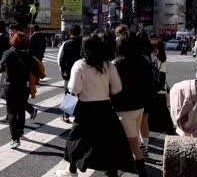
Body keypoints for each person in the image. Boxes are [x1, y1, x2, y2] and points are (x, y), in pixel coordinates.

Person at [56, 34, 135, 177]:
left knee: (77, 140)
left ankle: (72, 171)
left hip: (86, 109)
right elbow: (117, 88)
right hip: (105, 108)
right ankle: (111, 173)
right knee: (107, 142)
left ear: (84, 48)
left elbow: (74, 89)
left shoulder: (80, 65)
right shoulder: (108, 65)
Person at [112, 32, 153, 177]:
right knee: (132, 142)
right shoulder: (143, 61)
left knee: (133, 147)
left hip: (123, 109)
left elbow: (112, 88)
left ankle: (142, 174)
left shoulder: (116, 63)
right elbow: (149, 84)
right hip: (139, 106)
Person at [0, 32, 34, 149]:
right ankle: (21, 130)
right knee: (21, 109)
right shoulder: (28, 56)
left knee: (12, 112)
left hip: (10, 86)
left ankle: (15, 138)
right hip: (24, 87)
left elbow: (1, 67)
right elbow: (32, 69)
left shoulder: (7, 53)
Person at [58, 25, 82, 123]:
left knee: (69, 94)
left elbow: (62, 59)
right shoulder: (83, 43)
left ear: (70, 33)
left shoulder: (67, 44)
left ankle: (66, 115)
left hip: (69, 73)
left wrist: (63, 72)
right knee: (81, 94)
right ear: (79, 32)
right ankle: (79, 115)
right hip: (82, 72)